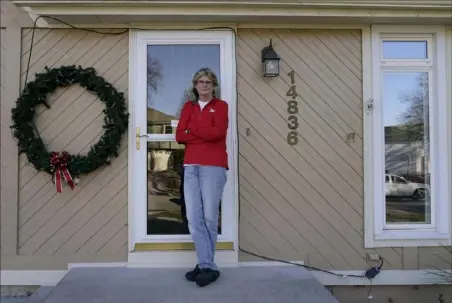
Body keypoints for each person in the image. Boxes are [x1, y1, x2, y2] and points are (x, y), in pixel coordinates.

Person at [175, 67, 228, 287]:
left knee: (208, 217)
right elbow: (179, 135)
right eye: (200, 81)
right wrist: (200, 131)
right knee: (193, 218)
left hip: (213, 166)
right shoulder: (189, 106)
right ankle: (205, 263)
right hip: (190, 166)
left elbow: (218, 134)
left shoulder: (221, 106)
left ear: (213, 85)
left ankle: (207, 265)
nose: (204, 85)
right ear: (195, 85)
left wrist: (193, 131)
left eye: (208, 81)